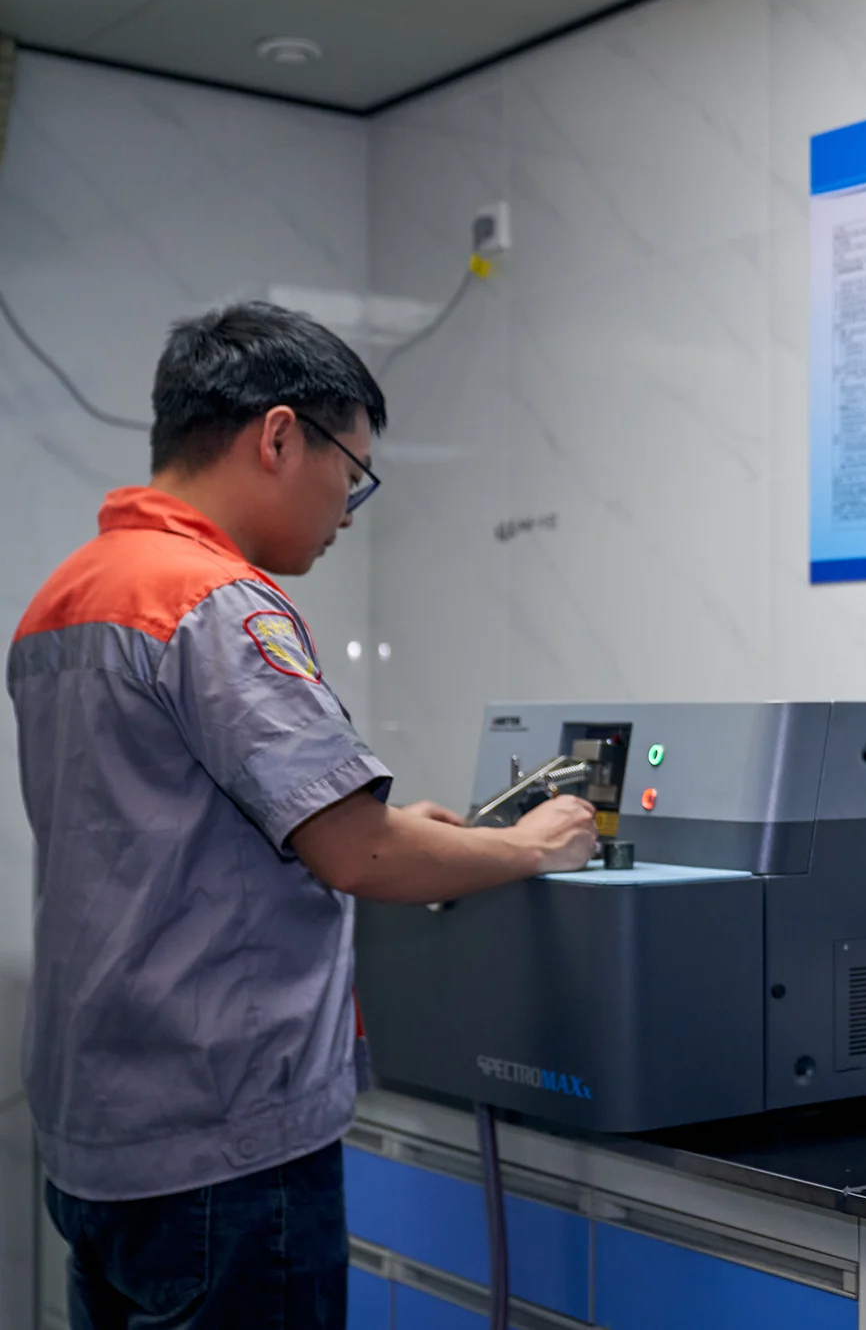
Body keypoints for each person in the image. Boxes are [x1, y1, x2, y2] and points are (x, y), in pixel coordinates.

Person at [7, 302, 601, 1329]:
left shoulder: (66, 598)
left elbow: (169, 832)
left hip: (98, 1137)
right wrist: (529, 843)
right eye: (352, 471)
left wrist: (404, 831)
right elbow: (359, 852)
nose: (349, 511)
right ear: (279, 436)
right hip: (224, 1148)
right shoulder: (215, 602)